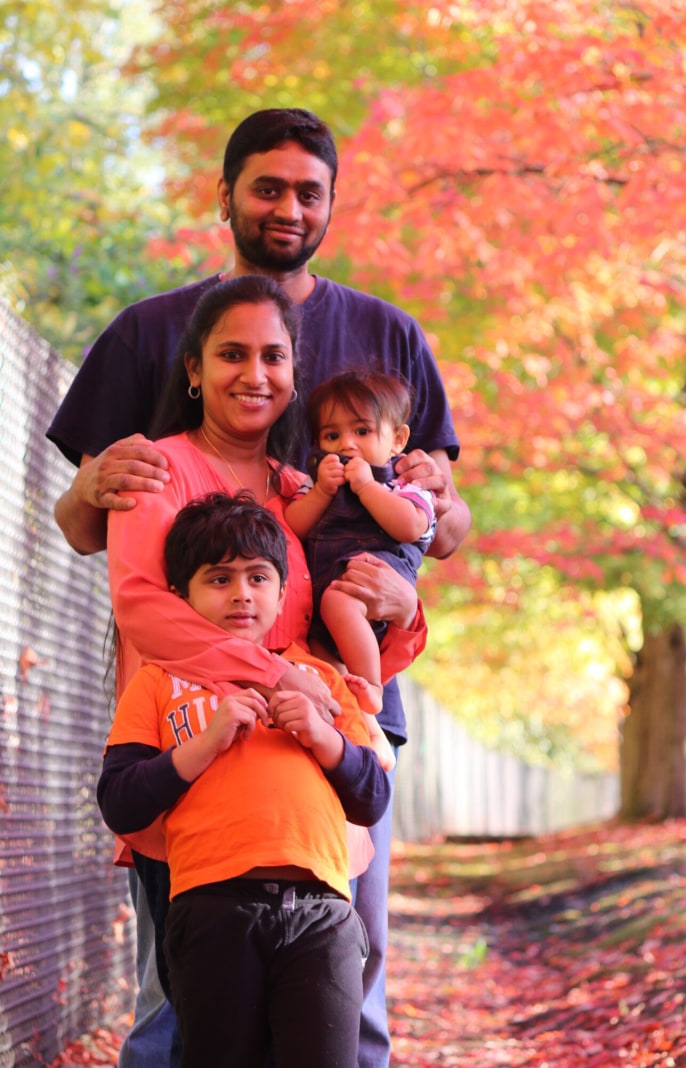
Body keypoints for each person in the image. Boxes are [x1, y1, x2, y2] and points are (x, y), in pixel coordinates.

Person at [48, 107, 470, 1068]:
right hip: (191, 711)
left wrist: (406, 598)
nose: (286, 208)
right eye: (266, 187)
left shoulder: (386, 339)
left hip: (344, 718)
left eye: (307, 191)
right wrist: (272, 680)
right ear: (225, 192)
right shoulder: (149, 333)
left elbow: (441, 526)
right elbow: (86, 527)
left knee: (343, 975)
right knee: (188, 985)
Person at [105, 274, 424, 1023]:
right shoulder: (157, 467)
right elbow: (144, 609)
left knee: (331, 1009)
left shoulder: (302, 490)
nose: (255, 375)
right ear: (194, 370)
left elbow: (341, 622)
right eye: (231, 355)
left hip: (304, 801)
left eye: (274, 357)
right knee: (179, 1016)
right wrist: (284, 675)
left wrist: (405, 617)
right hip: (195, 779)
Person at [99, 489, 391, 1068]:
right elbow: (120, 802)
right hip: (212, 909)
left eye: (258, 578)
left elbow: (373, 799)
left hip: (321, 910)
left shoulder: (317, 680)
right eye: (219, 579)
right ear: (181, 595)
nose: (241, 594)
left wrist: (322, 736)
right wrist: (202, 747)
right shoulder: (160, 681)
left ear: (283, 592)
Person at [285, 369, 436, 766]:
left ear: (397, 440)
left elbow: (410, 526)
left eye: (363, 432)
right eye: (332, 436)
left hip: (371, 579)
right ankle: (367, 724)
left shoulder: (404, 487)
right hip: (320, 594)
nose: (346, 444)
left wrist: (368, 487)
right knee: (320, 658)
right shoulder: (316, 482)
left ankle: (372, 687)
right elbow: (294, 524)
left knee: (340, 601)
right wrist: (320, 491)